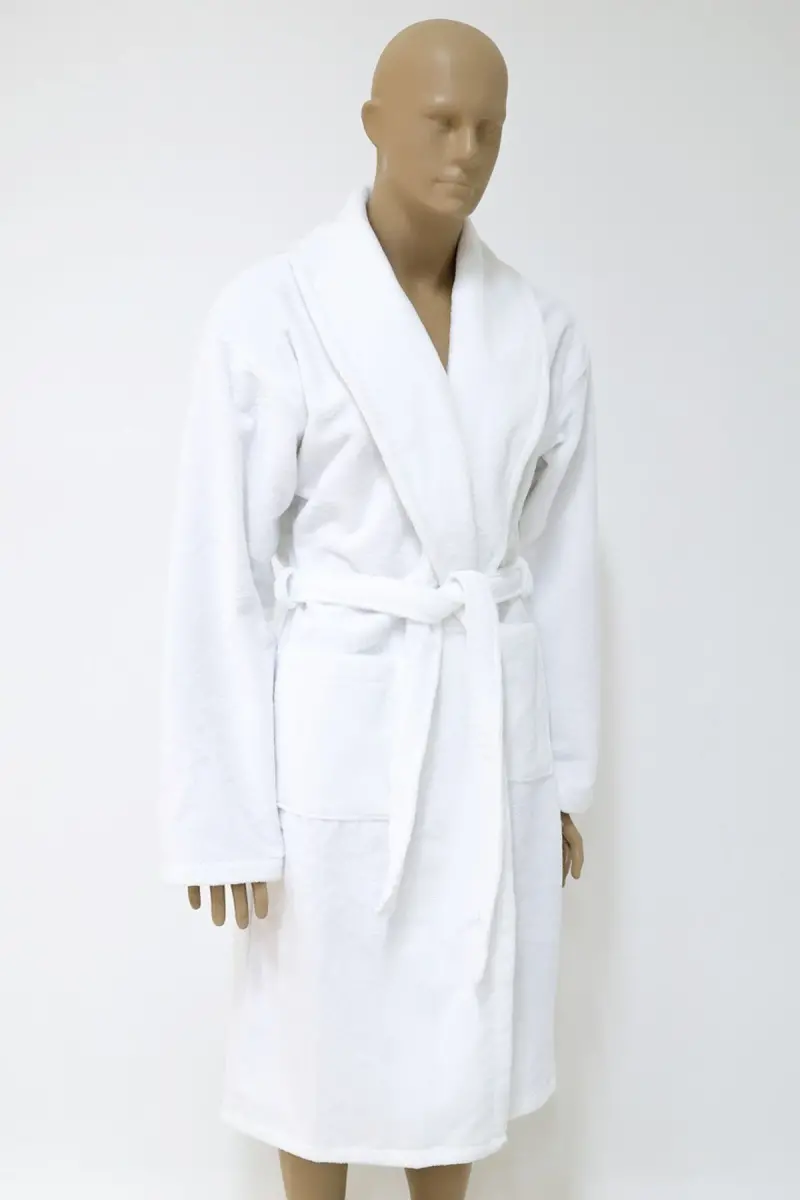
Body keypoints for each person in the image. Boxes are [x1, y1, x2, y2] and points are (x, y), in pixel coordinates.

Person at [159, 18, 599, 1200]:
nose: (465, 152)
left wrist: (559, 774)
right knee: (322, 1028)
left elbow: (555, 562)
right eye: (438, 122)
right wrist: (223, 810)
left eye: (487, 128)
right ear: (372, 124)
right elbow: (219, 567)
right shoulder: (273, 311)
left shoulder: (540, 332)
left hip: (483, 720)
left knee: (459, 1014)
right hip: (340, 723)